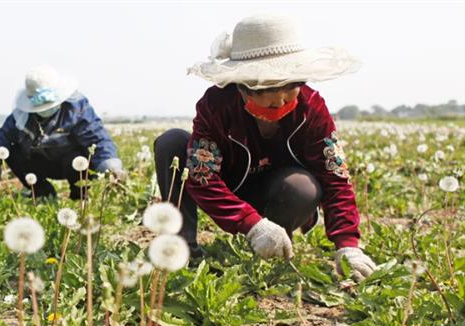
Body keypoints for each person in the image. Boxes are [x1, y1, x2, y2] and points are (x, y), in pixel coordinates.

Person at [154, 13, 377, 281]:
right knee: (172, 143)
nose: (281, 104)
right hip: (231, 189)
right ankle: (184, 251)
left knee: (302, 187)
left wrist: (348, 244)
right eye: (269, 97)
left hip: (281, 191)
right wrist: (251, 224)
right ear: (243, 87)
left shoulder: (312, 108)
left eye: (289, 93)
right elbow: (203, 178)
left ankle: (272, 249)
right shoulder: (216, 106)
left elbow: (335, 176)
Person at [0, 65, 125, 199]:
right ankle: (42, 192)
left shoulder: (76, 110)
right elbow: (4, 135)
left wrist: (110, 166)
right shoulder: (22, 116)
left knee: (77, 157)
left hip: (72, 165)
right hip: (40, 163)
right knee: (12, 153)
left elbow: (97, 138)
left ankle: (80, 194)